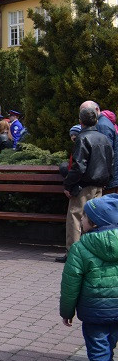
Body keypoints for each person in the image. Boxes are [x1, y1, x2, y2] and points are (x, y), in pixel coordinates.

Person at [60, 194, 118, 361]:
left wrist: (67, 311)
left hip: (95, 313)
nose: (81, 220)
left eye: (84, 217)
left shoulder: (81, 248)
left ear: (94, 223)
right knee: (107, 348)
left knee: (98, 353)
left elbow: (70, 285)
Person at [59, 105, 113, 263]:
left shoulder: (82, 138)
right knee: (94, 219)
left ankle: (74, 254)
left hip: (84, 185)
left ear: (80, 121)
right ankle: (90, 252)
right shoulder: (103, 138)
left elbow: (78, 167)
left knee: (75, 217)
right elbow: (110, 162)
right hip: (99, 185)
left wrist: (68, 185)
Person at [87, 100, 118, 194]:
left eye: (86, 111)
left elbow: (105, 154)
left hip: (109, 180)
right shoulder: (104, 122)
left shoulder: (102, 125)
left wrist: (103, 179)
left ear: (96, 109)